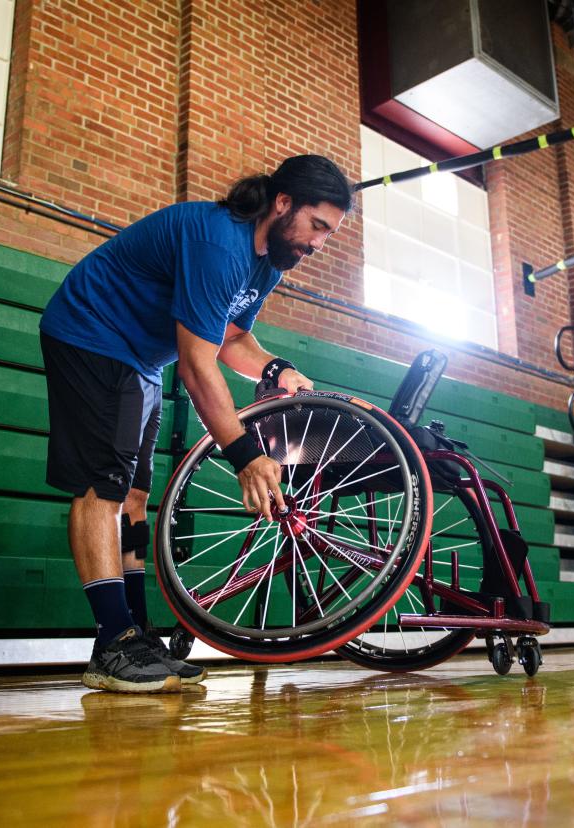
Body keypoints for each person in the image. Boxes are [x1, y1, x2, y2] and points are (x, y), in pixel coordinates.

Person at [40, 154, 353, 693]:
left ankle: (136, 635)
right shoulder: (218, 242)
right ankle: (112, 642)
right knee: (103, 489)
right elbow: (195, 364)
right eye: (317, 226)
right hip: (92, 334)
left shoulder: (267, 263)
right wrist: (244, 454)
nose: (318, 243)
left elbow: (230, 338)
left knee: (135, 495)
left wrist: (276, 368)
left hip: (140, 359)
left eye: (329, 233)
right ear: (283, 204)